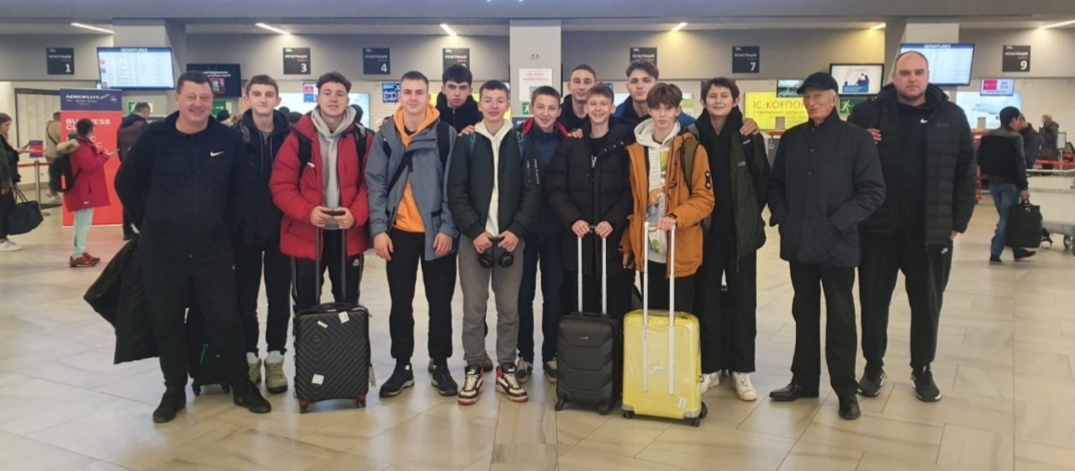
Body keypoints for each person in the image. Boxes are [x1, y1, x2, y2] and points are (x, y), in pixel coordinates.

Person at [115, 71, 271, 423]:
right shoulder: (154, 138)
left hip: (212, 251)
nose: (198, 104)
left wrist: (225, 230)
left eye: (205, 98)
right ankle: (174, 390)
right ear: (177, 99)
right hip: (161, 253)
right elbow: (126, 182)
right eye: (191, 97)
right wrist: (148, 223)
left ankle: (241, 384)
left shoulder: (226, 139)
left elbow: (241, 189)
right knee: (167, 322)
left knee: (225, 319)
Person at [848, 51, 978, 403]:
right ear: (893, 77)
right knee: (873, 304)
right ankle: (873, 367)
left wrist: (958, 222)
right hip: (878, 230)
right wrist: (860, 140)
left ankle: (922, 369)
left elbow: (967, 173)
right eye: (905, 73)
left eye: (919, 72)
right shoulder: (867, 114)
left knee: (927, 305)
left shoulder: (951, 116)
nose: (912, 78)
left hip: (929, 232)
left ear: (928, 75)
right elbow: (845, 163)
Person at [767, 72, 885, 421]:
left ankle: (846, 390)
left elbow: (873, 191)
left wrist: (837, 223)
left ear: (835, 99)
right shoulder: (792, 138)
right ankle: (803, 381)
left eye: (818, 95)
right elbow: (775, 184)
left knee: (841, 318)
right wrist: (783, 217)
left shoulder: (857, 140)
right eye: (807, 96)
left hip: (838, 244)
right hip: (799, 242)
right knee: (803, 313)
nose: (811, 102)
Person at [447, 80, 541, 405]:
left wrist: (517, 230)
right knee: (473, 309)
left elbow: (533, 191)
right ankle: (473, 367)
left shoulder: (522, 142)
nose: (494, 105)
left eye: (500, 100)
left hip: (511, 241)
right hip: (474, 240)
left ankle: (506, 368)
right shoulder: (467, 142)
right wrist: (474, 231)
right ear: (480, 104)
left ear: (508, 105)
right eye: (488, 100)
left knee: (509, 310)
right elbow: (456, 191)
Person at [366, 71, 460, 398]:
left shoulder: (445, 135)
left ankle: (441, 363)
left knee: (440, 303)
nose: (413, 98)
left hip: (437, 233)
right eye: (408, 92)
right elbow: (375, 183)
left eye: (419, 92)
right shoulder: (386, 135)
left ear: (429, 96)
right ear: (399, 96)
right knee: (400, 303)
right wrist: (379, 230)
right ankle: (402, 365)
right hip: (399, 234)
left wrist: (448, 227)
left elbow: (454, 185)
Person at [688, 78, 770, 400]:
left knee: (743, 302)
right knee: (705, 300)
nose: (718, 100)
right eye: (713, 95)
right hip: (704, 234)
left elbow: (762, 180)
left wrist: (747, 216)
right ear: (703, 101)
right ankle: (709, 368)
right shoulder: (692, 136)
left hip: (740, 236)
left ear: (736, 100)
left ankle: (741, 370)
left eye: (725, 95)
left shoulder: (749, 135)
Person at [270, 71, 372, 311]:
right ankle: (308, 338)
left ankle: (345, 338)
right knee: (306, 305)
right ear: (317, 98)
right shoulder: (298, 138)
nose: (333, 99)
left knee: (348, 303)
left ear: (347, 100)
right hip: (306, 234)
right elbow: (281, 185)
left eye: (339, 94)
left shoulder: (363, 139)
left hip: (348, 235)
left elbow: (372, 184)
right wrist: (308, 212)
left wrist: (356, 214)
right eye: (327, 93)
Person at [620, 83, 714, 314]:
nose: (662, 114)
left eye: (668, 108)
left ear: (677, 111)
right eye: (657, 108)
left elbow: (705, 199)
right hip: (647, 251)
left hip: (679, 250)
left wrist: (675, 217)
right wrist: (628, 242)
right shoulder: (635, 151)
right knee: (652, 320)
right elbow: (633, 202)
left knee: (679, 320)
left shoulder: (692, 150)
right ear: (649, 110)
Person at [547, 84, 635, 325]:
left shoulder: (625, 145)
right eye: (593, 104)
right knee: (582, 310)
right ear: (585, 108)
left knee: (617, 308)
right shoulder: (571, 144)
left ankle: (617, 349)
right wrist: (573, 219)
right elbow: (555, 189)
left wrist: (613, 221)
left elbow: (631, 190)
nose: (598, 109)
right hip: (579, 243)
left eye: (603, 104)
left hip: (613, 243)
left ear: (612, 108)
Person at [231, 75, 293, 393]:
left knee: (279, 297)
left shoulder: (291, 136)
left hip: (283, 230)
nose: (263, 99)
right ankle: (249, 357)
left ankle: (275, 358)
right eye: (257, 94)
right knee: (245, 298)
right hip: (245, 232)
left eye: (269, 94)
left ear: (277, 99)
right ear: (247, 99)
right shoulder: (233, 136)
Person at [515, 85, 569, 383]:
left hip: (556, 232)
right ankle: (524, 355)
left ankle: (551, 355)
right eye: (540, 107)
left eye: (551, 108)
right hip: (523, 232)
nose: (546, 113)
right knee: (523, 295)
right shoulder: (517, 139)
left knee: (553, 295)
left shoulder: (569, 140)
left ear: (559, 111)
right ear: (531, 108)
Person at [980, 106, 1034, 264]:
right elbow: (1020, 163)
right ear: (1013, 120)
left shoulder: (988, 136)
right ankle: (995, 253)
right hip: (1010, 183)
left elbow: (980, 157)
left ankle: (1017, 249)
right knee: (1006, 218)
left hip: (992, 182)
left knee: (1007, 217)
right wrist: (1024, 187)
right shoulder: (1016, 137)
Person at [64, 119, 110, 268]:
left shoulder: (75, 143)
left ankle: (81, 251)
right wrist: (104, 156)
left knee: (81, 222)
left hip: (80, 187)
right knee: (82, 223)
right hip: (83, 188)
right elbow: (90, 166)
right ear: (91, 129)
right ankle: (77, 254)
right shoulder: (82, 146)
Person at [613, 61, 696, 129]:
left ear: (656, 85)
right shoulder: (614, 119)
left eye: (646, 80)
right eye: (634, 81)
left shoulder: (686, 123)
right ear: (628, 87)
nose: (640, 86)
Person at [118, 102, 151, 240]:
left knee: (129, 198)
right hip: (142, 168)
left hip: (126, 166)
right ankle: (144, 228)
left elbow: (118, 148)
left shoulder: (121, 126)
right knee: (144, 198)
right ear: (145, 112)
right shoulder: (143, 126)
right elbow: (148, 148)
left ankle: (127, 229)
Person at [0, 113, 29, 252]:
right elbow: (4, 161)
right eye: (6, 125)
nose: (8, 128)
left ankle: (4, 237)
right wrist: (6, 182)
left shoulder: (3, 139)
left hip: (6, 180)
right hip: (2, 181)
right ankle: (1, 239)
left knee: (7, 208)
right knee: (3, 209)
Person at [436, 64, 482, 136]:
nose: (457, 93)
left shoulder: (481, 117)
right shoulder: (433, 116)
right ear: (443, 89)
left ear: (470, 91)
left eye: (462, 88)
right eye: (452, 87)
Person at [559, 64, 597, 132]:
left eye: (587, 82)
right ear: (569, 86)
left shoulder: (604, 118)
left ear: (595, 87)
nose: (581, 87)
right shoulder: (557, 117)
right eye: (577, 81)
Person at [44, 111, 62, 201]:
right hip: (55, 153)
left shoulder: (49, 125)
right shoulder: (57, 125)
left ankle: (51, 190)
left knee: (52, 172)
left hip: (49, 152)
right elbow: (61, 136)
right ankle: (54, 194)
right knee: (55, 173)